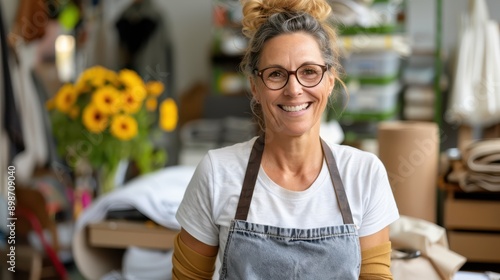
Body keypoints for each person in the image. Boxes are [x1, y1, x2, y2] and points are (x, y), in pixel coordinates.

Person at [172, 0, 399, 279]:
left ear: (330, 80)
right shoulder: (217, 173)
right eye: (276, 74)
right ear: (255, 86)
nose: (294, 89)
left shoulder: (364, 174)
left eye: (309, 72)